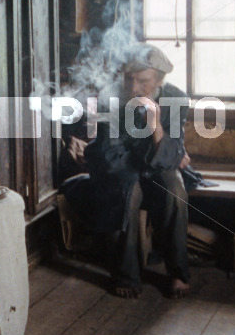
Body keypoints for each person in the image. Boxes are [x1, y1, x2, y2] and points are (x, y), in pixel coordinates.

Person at [60, 44, 192, 299]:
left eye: (143, 81)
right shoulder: (112, 98)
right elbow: (111, 154)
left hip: (150, 168)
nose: (134, 88)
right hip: (119, 169)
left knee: (174, 186)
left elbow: (174, 151)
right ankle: (126, 274)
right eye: (129, 79)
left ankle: (178, 272)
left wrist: (155, 127)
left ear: (159, 80)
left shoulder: (176, 99)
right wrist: (158, 160)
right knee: (129, 188)